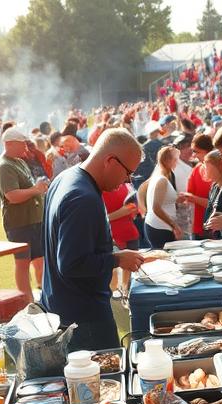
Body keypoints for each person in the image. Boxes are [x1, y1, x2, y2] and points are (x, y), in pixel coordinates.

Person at [40, 128, 147, 351]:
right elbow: (71, 263)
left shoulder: (65, 178)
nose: (127, 180)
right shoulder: (82, 197)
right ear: (110, 160)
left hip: (65, 308)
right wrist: (116, 260)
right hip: (83, 318)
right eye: (128, 172)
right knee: (103, 382)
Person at [0, 126, 49, 296]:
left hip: (33, 220)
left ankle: (43, 293)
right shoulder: (4, 166)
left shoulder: (18, 161)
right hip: (19, 223)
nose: (26, 147)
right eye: (22, 144)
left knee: (40, 260)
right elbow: (12, 196)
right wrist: (36, 190)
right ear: (9, 144)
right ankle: (26, 301)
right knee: (23, 263)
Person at [144, 145, 184, 248]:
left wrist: (176, 199)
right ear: (167, 160)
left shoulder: (160, 177)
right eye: (175, 160)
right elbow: (156, 207)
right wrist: (174, 225)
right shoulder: (161, 180)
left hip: (159, 226)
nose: (177, 163)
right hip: (160, 227)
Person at [180, 134, 215, 240]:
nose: (194, 155)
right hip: (198, 227)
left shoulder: (219, 170)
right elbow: (189, 197)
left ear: (208, 151)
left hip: (214, 228)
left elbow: (216, 204)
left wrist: (193, 198)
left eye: (196, 151)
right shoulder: (197, 168)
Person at [200, 150, 222, 240]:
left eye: (207, 166)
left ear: (219, 167)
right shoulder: (214, 186)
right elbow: (209, 210)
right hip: (218, 238)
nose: (204, 169)